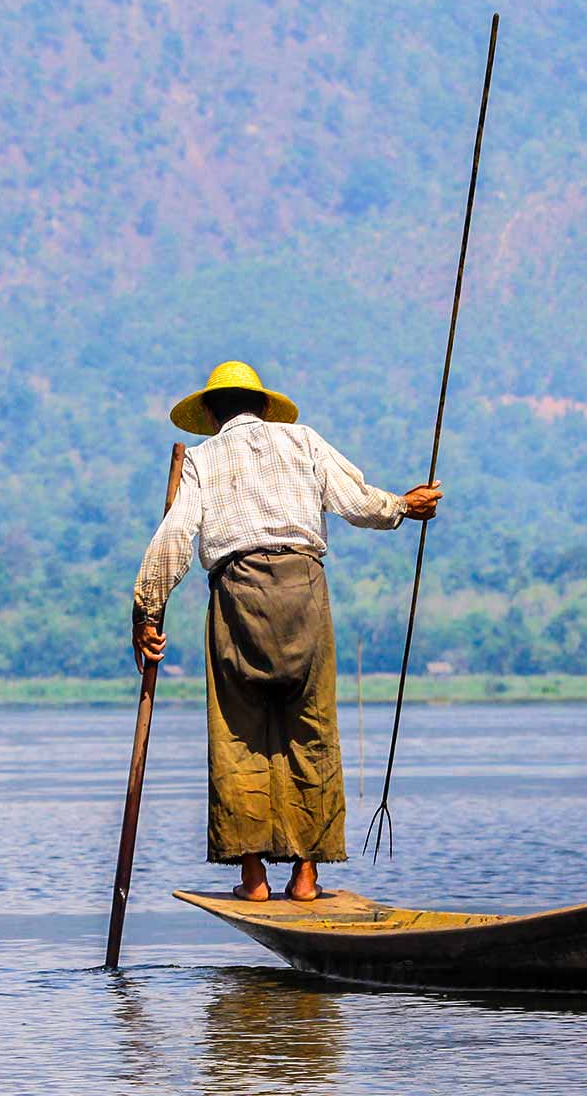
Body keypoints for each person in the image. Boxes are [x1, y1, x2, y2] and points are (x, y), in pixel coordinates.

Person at [132, 361, 443, 902]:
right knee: (311, 728)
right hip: (303, 590)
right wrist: (403, 507)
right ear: (263, 407)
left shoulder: (203, 461)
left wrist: (147, 613)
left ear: (209, 412)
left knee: (238, 734)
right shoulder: (303, 442)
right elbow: (359, 501)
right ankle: (306, 877)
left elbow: (174, 538)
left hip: (236, 595)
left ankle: (253, 879)